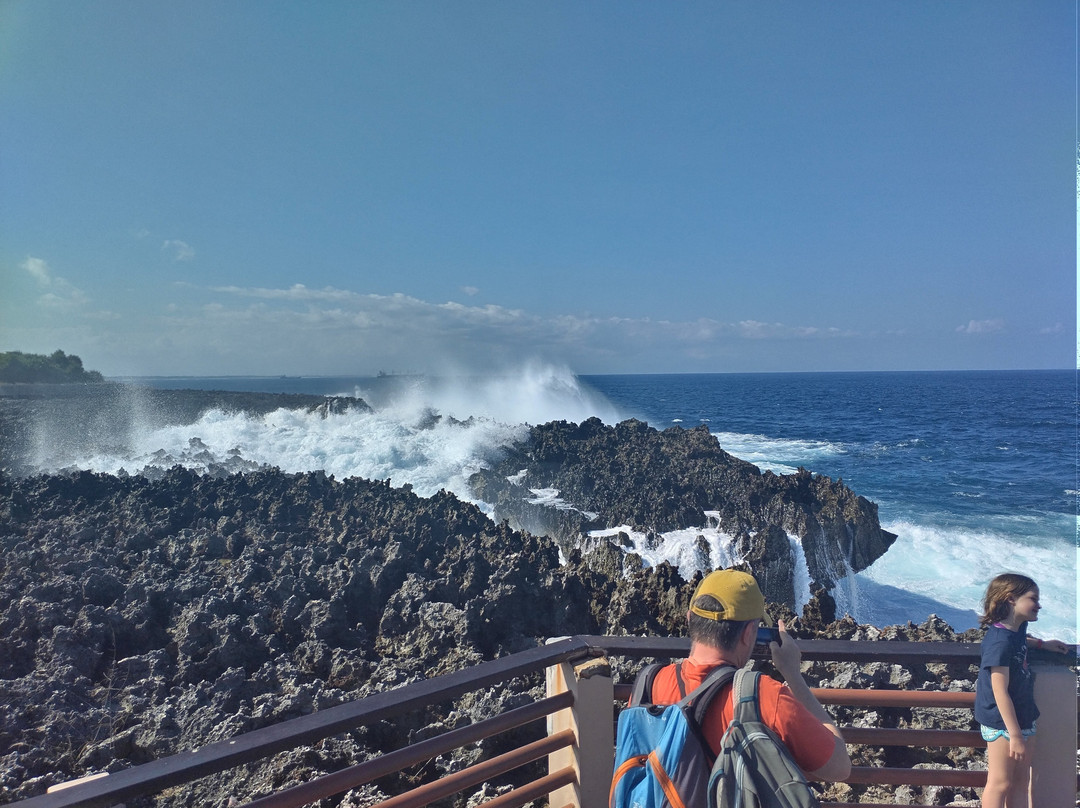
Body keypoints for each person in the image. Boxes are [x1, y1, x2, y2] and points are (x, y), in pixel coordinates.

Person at [646, 569, 851, 784]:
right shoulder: (765, 696)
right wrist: (793, 675)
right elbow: (839, 767)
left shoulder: (649, 683)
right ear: (748, 633)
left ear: (689, 619)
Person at [974, 573, 1069, 808]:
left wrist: (1041, 644)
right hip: (1002, 723)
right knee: (1001, 782)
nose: (1039, 605)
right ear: (1010, 599)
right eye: (1033, 599)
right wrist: (1015, 735)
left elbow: (1018, 640)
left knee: (1021, 780)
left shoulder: (1015, 628)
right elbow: (1000, 691)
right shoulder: (998, 642)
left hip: (1024, 715)